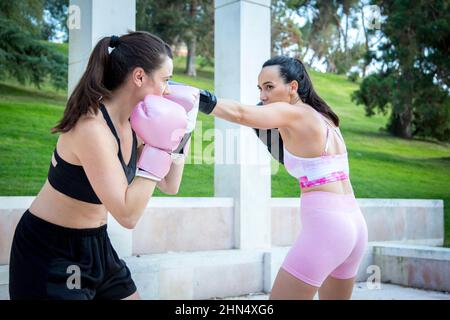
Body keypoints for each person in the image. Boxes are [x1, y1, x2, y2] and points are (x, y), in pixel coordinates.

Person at [8, 31, 200, 300]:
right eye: (165, 80)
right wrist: (157, 147)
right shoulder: (92, 128)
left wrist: (183, 131)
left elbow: (170, 185)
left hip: (96, 245)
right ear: (139, 76)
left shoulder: (137, 121)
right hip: (52, 252)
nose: (168, 91)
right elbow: (127, 215)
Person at [195, 56, 369, 300]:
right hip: (355, 226)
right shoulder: (323, 117)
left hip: (328, 229)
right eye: (260, 88)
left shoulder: (293, 114)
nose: (263, 95)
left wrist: (195, 98)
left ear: (293, 87)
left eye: (269, 87)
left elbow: (241, 114)